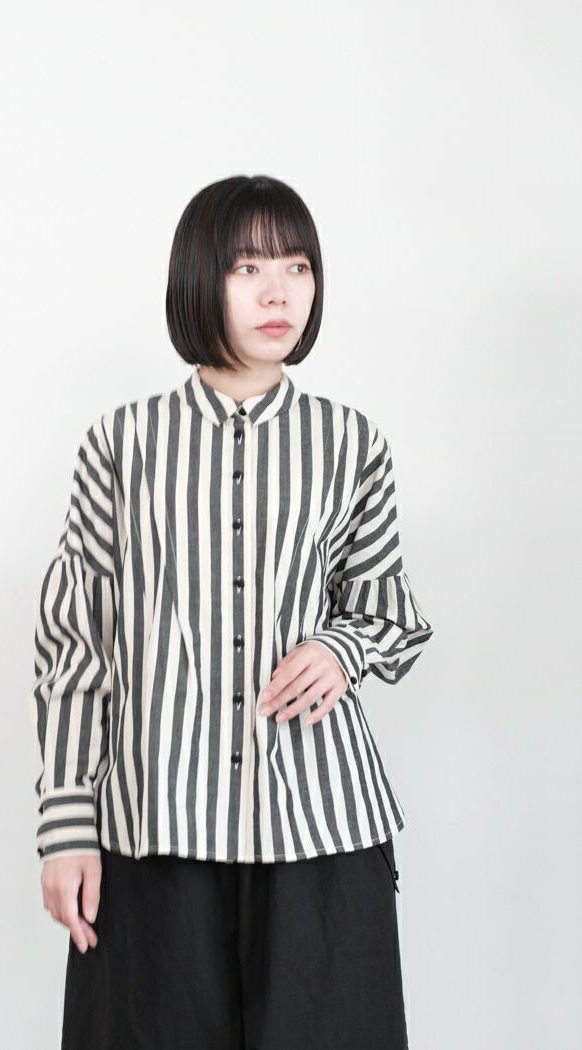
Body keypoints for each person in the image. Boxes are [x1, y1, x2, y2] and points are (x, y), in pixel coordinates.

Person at [30, 173, 434, 1049]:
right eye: (248, 267)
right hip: (156, 831)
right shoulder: (122, 444)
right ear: (199, 278)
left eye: (297, 266)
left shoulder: (350, 442)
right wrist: (65, 825)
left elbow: (387, 614)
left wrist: (339, 649)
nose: (278, 291)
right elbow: (75, 643)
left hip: (319, 828)